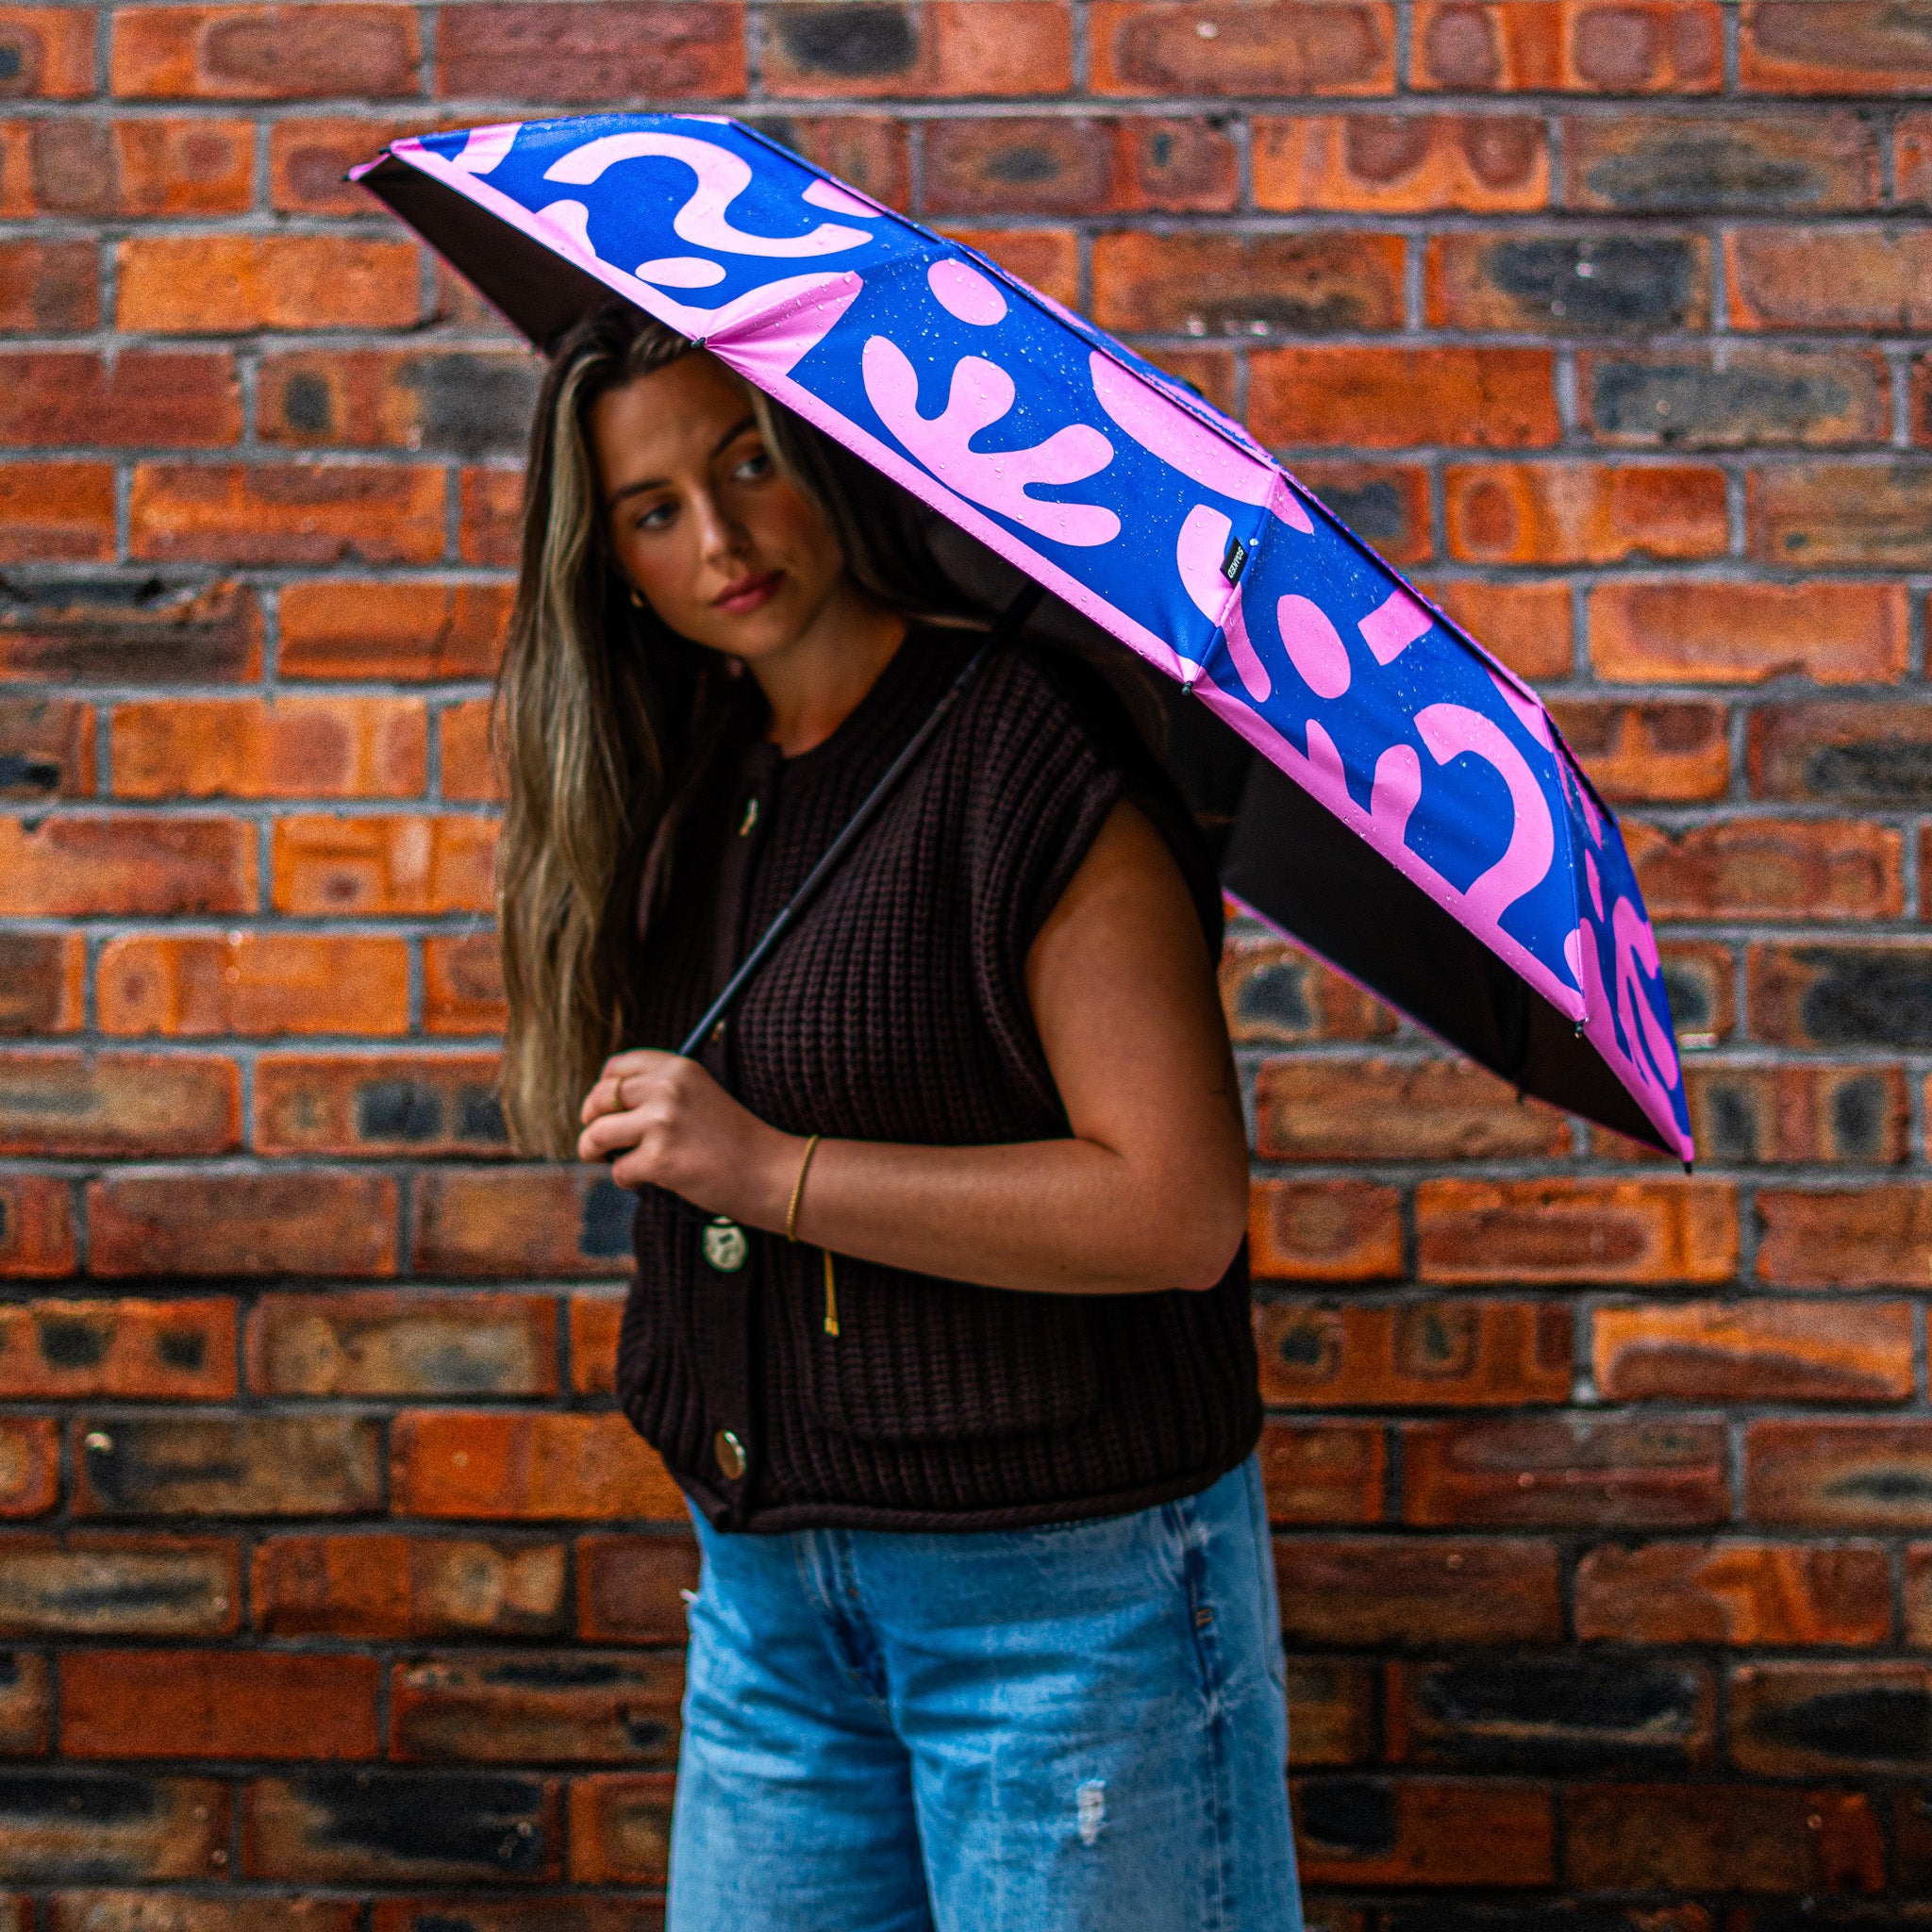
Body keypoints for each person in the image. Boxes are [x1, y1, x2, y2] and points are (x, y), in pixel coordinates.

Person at [494, 302, 1303, 1932]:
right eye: (656, 511)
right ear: (612, 560)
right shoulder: (697, 776)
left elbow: (1172, 1209)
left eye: (752, 463)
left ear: (830, 457)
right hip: (774, 1608)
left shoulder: (1020, 747)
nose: (720, 536)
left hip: (1062, 1619)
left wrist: (764, 1168)